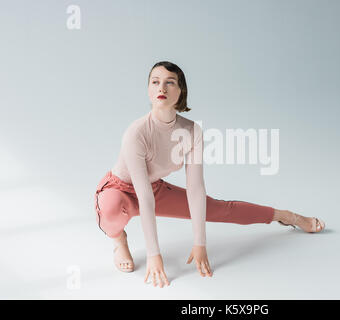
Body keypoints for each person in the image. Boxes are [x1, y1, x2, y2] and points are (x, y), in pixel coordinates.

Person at [93, 61, 326, 288]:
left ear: (181, 90)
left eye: (169, 82)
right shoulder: (136, 132)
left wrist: (200, 243)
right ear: (148, 89)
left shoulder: (191, 131)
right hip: (120, 189)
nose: (161, 88)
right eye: (155, 82)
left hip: (155, 188)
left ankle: (287, 216)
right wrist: (154, 254)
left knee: (217, 209)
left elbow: (196, 189)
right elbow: (143, 198)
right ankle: (118, 240)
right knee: (111, 206)